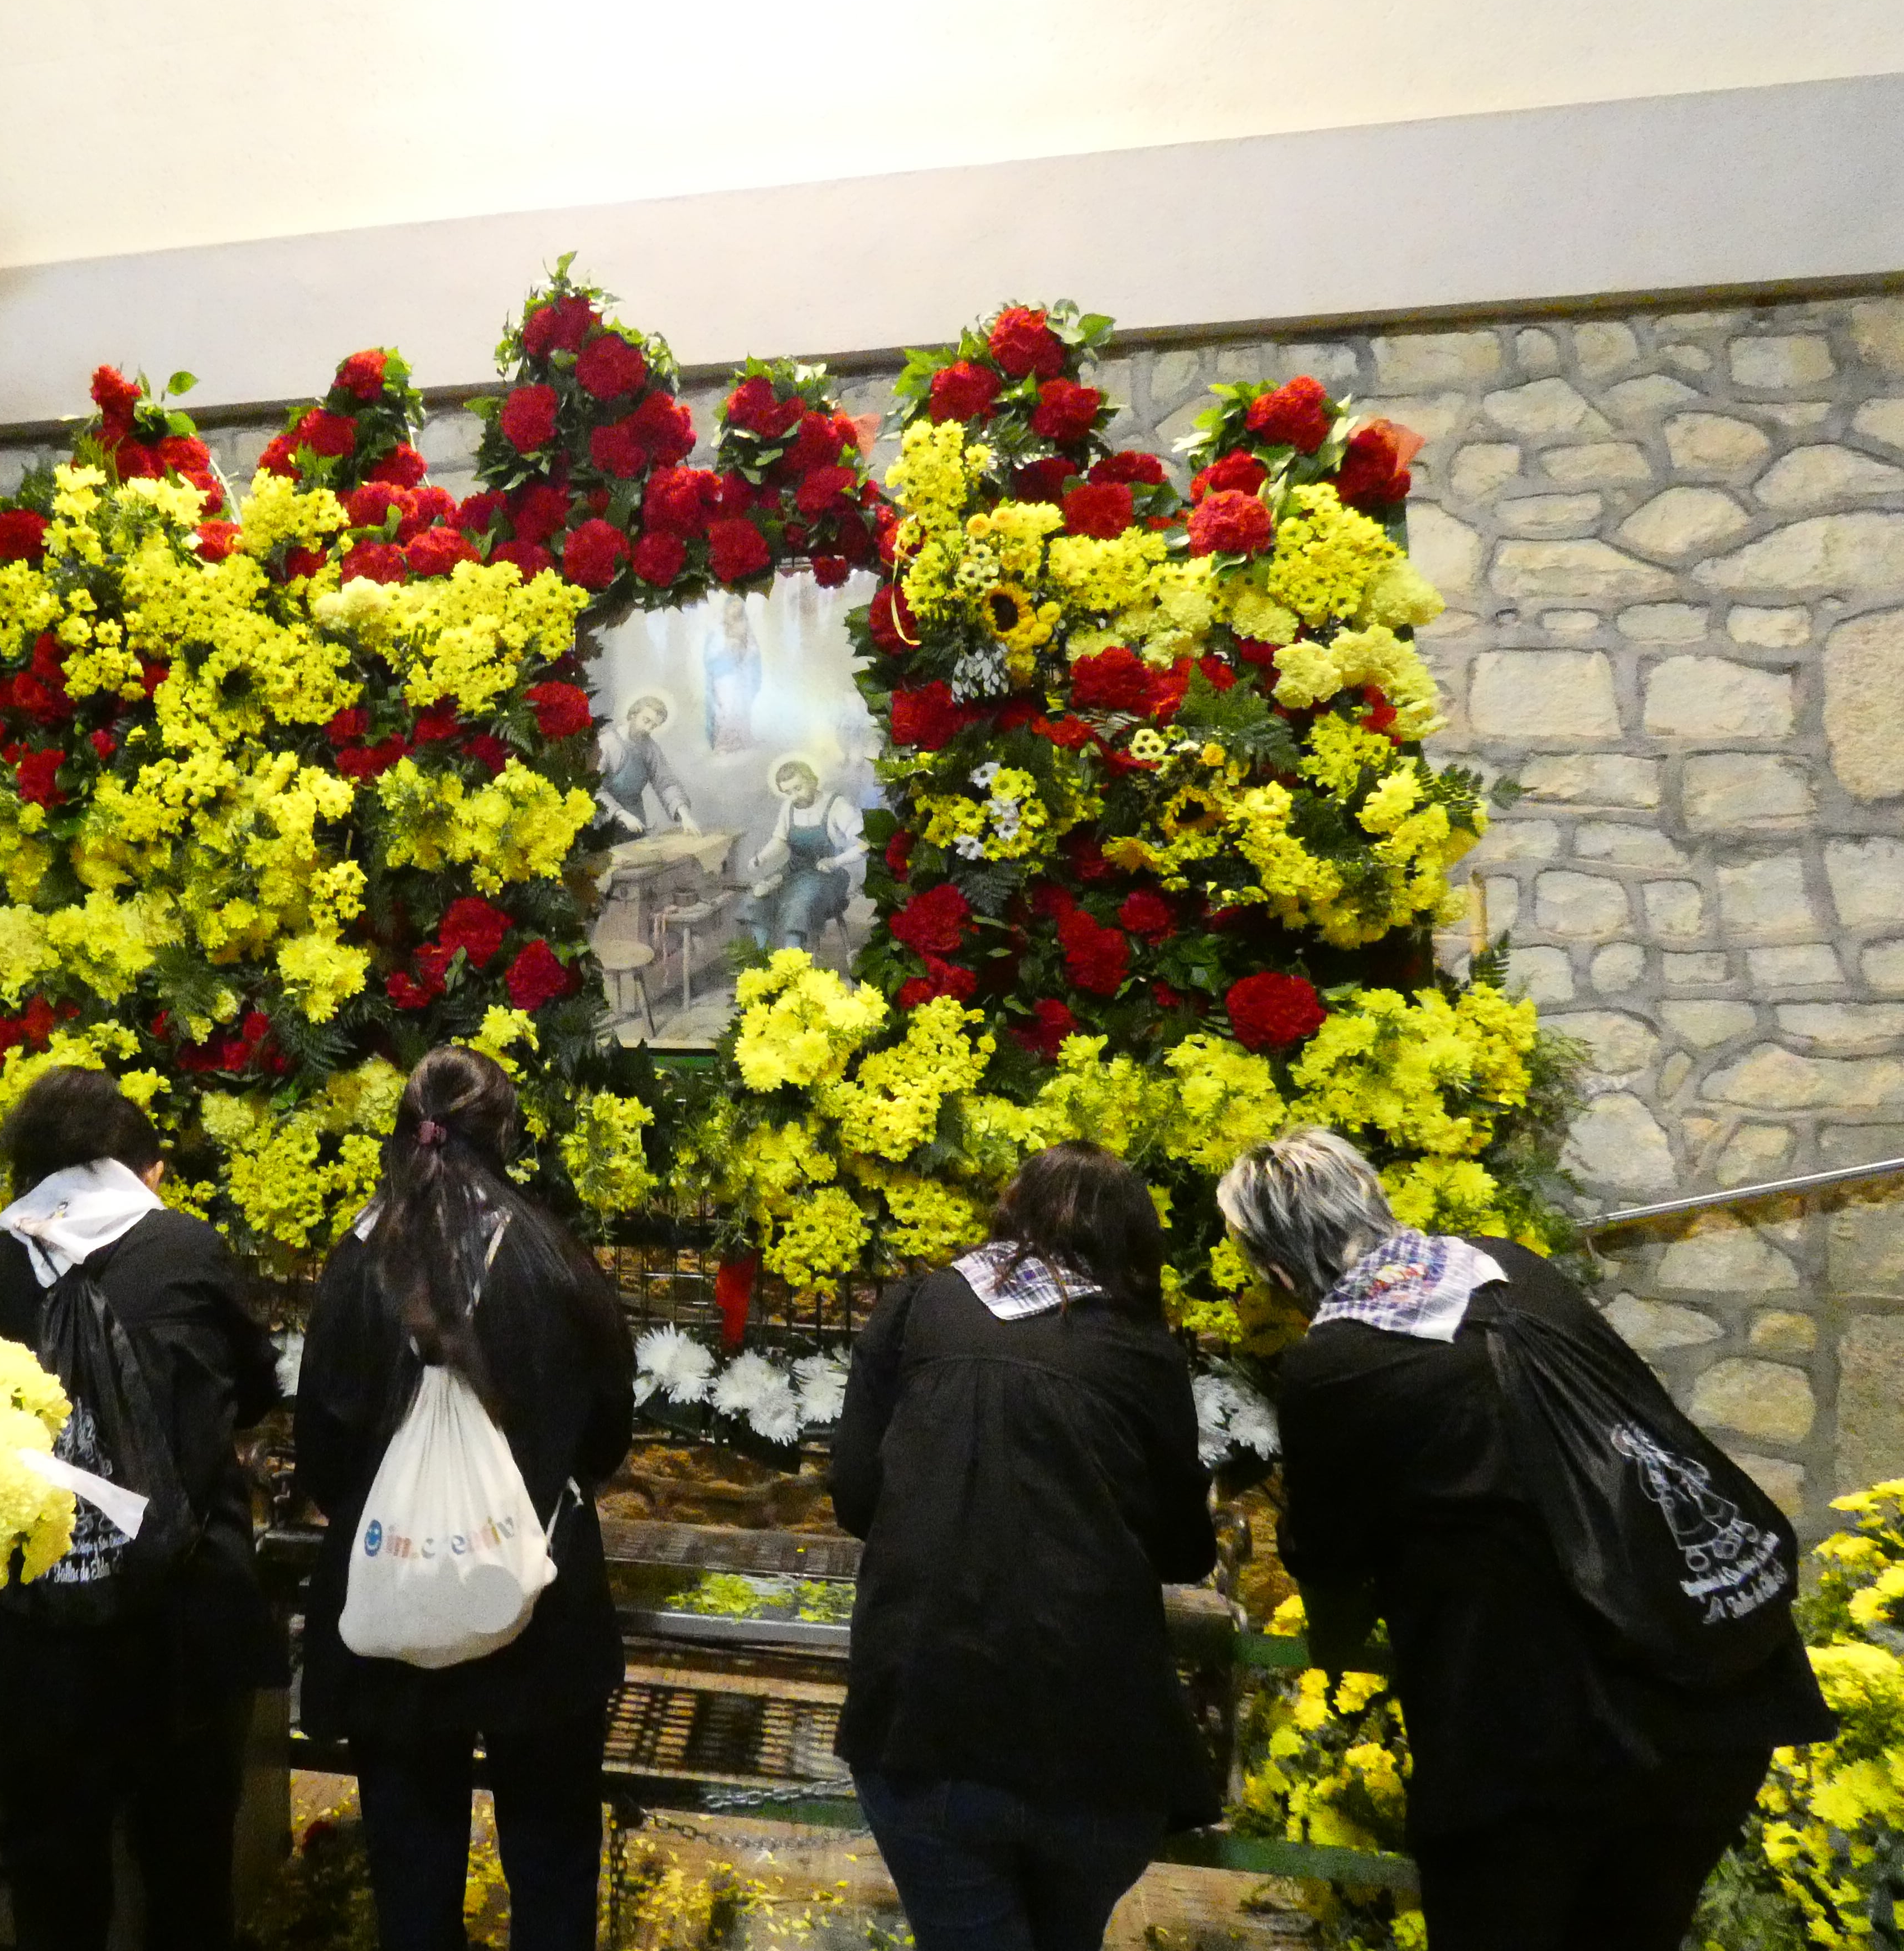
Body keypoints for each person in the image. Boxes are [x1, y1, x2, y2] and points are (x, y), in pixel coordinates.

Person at [1217, 1128, 1833, 1951]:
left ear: (1277, 1270)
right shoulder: (1512, 1267)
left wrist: (1332, 1649)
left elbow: (1329, 1558)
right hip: (1715, 1698)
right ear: (1373, 1196)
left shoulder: (1336, 1363)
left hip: (1539, 1744)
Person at [0, 1068, 283, 1951]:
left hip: (36, 1631)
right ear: (143, 1172)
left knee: (53, 1878)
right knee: (189, 1871)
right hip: (182, 1622)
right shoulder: (190, 1251)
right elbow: (256, 1390)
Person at [831, 1142, 1215, 1951]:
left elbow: (857, 1498)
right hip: (1099, 1744)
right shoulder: (1142, 1351)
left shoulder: (915, 1309)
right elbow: (1187, 1552)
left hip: (926, 1721)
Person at [295, 1048, 635, 1951]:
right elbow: (607, 1426)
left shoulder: (359, 1259)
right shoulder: (550, 1253)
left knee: (411, 1854)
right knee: (553, 1844)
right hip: (539, 1592)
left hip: (397, 1587)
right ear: (507, 1136)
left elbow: (321, 1439)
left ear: (403, 1131)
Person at [740, 756, 865, 952]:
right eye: (788, 792)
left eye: (798, 788)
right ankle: (763, 962)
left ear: (812, 780)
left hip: (828, 878)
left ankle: (793, 962)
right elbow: (780, 840)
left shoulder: (837, 806)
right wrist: (761, 858)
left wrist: (835, 861)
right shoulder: (788, 807)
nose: (794, 796)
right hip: (793, 872)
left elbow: (865, 845)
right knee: (756, 899)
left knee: (799, 904)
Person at [595, 692, 697, 834]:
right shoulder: (607, 742)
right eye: (646, 721)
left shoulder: (650, 748)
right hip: (604, 819)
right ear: (633, 715)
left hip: (636, 820)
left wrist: (685, 816)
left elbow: (666, 783)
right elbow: (593, 788)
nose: (648, 729)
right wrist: (620, 814)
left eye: (654, 726)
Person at [702, 596, 761, 752]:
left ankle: (742, 740)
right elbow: (710, 655)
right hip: (724, 677)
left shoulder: (745, 627)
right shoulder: (718, 629)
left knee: (741, 707)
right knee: (726, 708)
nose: (735, 610)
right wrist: (727, 647)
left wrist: (745, 653)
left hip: (742, 674)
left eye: (738, 606)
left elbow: (753, 651)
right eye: (732, 606)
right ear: (726, 608)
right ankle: (724, 743)